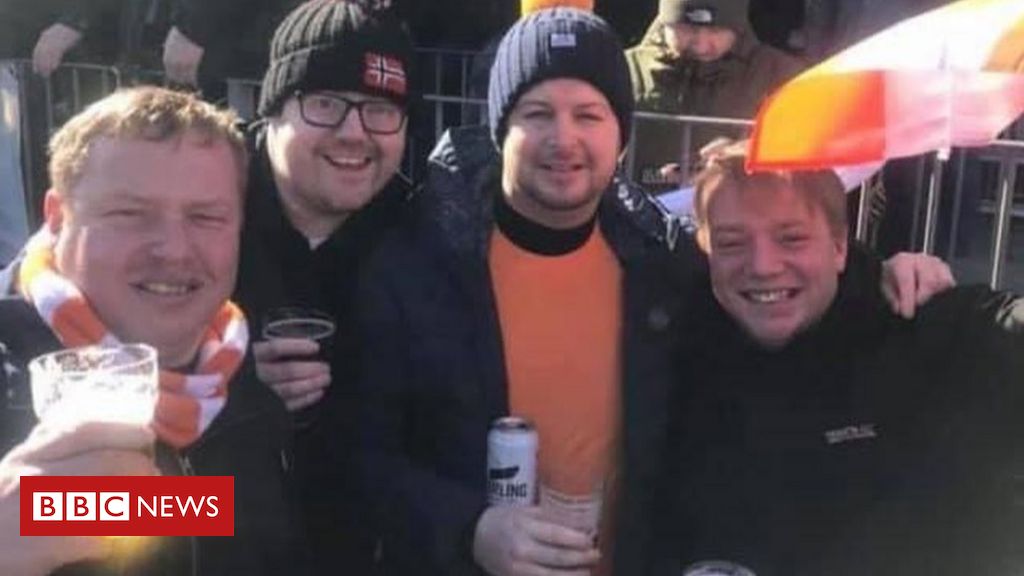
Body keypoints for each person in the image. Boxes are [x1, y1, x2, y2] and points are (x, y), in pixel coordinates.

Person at [347, 8, 948, 576]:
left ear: (622, 138)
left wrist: (880, 274)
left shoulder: (657, 257)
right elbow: (362, 458)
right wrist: (469, 530)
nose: (564, 138)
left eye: (589, 115)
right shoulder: (417, 264)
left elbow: (775, 276)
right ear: (500, 128)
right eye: (537, 114)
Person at [624, 139, 1024, 575]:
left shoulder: (925, 330)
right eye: (733, 243)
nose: (763, 265)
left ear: (838, 246)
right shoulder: (676, 350)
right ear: (707, 252)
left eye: (791, 238)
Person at [0, 86, 298, 575]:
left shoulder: (242, 392)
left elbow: (200, 514)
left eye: (205, 217)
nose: (174, 249)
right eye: (130, 214)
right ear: (56, 219)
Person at [231, 0, 415, 571]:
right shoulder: (199, 206)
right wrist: (230, 397)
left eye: (381, 110)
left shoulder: (420, 236)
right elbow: (69, 507)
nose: (354, 133)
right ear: (274, 111)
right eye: (326, 103)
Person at [625, 0, 805, 192]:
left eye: (717, 30)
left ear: (738, 27)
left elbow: (816, 147)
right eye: (687, 28)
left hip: (743, 212)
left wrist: (747, 152)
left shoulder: (782, 76)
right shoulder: (623, 69)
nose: (701, 45)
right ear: (665, 22)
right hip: (632, 212)